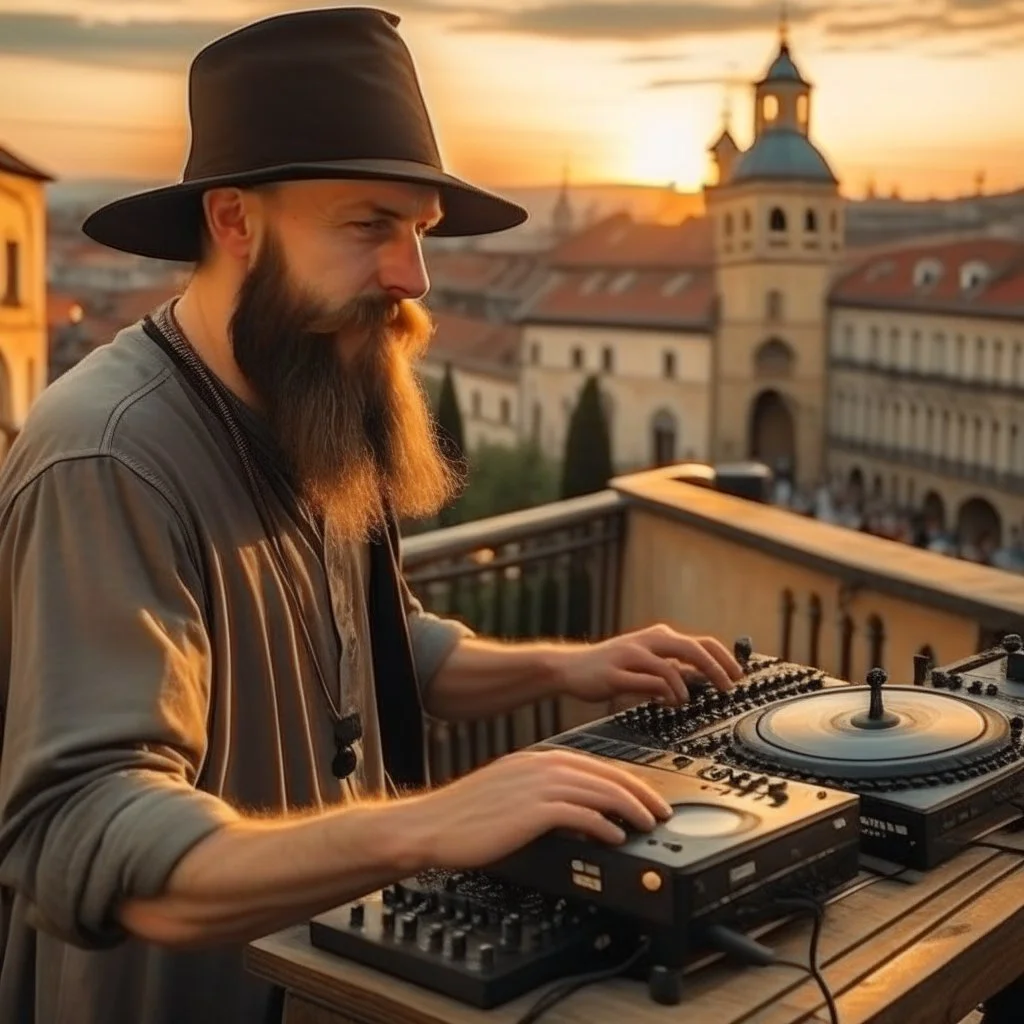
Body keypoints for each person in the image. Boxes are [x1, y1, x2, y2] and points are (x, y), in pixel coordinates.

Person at [0, 8, 743, 1024]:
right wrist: (423, 826)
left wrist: (563, 667)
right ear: (234, 222)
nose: (412, 276)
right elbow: (86, 830)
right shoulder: (109, 451)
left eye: (418, 231)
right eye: (369, 225)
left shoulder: (304, 392)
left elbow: (386, 645)